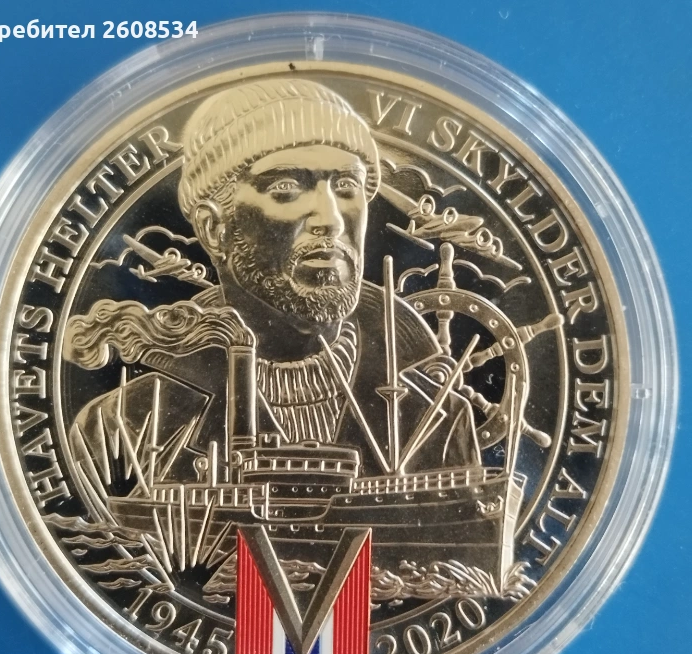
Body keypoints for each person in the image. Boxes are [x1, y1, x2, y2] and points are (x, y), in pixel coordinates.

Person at [64, 78, 480, 495]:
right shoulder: (119, 426)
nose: (331, 220)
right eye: (286, 189)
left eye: (346, 188)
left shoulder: (440, 416)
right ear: (214, 228)